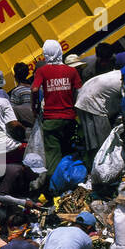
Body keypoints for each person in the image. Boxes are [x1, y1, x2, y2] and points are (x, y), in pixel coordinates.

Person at [32, 39, 83, 176]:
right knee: (68, 152)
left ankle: (54, 187)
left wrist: (34, 107)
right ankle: (69, 182)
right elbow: (79, 91)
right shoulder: (72, 71)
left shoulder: (42, 71)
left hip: (51, 119)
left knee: (53, 155)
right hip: (69, 118)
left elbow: (35, 89)